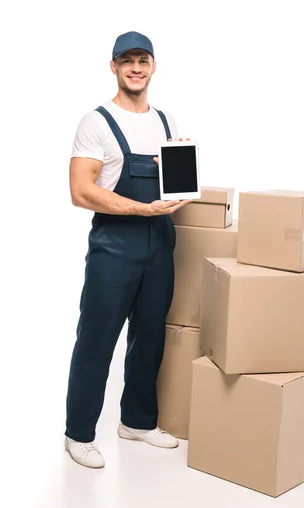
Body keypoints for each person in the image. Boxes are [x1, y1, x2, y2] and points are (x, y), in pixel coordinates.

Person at [64, 31, 192, 469]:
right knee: (97, 340)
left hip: (161, 241)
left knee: (150, 336)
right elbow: (80, 191)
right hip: (115, 246)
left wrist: (184, 188)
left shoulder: (168, 121)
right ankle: (78, 433)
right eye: (127, 61)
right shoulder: (96, 121)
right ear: (114, 67)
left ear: (154, 66)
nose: (135, 68)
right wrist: (140, 209)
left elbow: (177, 177)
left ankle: (137, 421)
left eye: (143, 60)